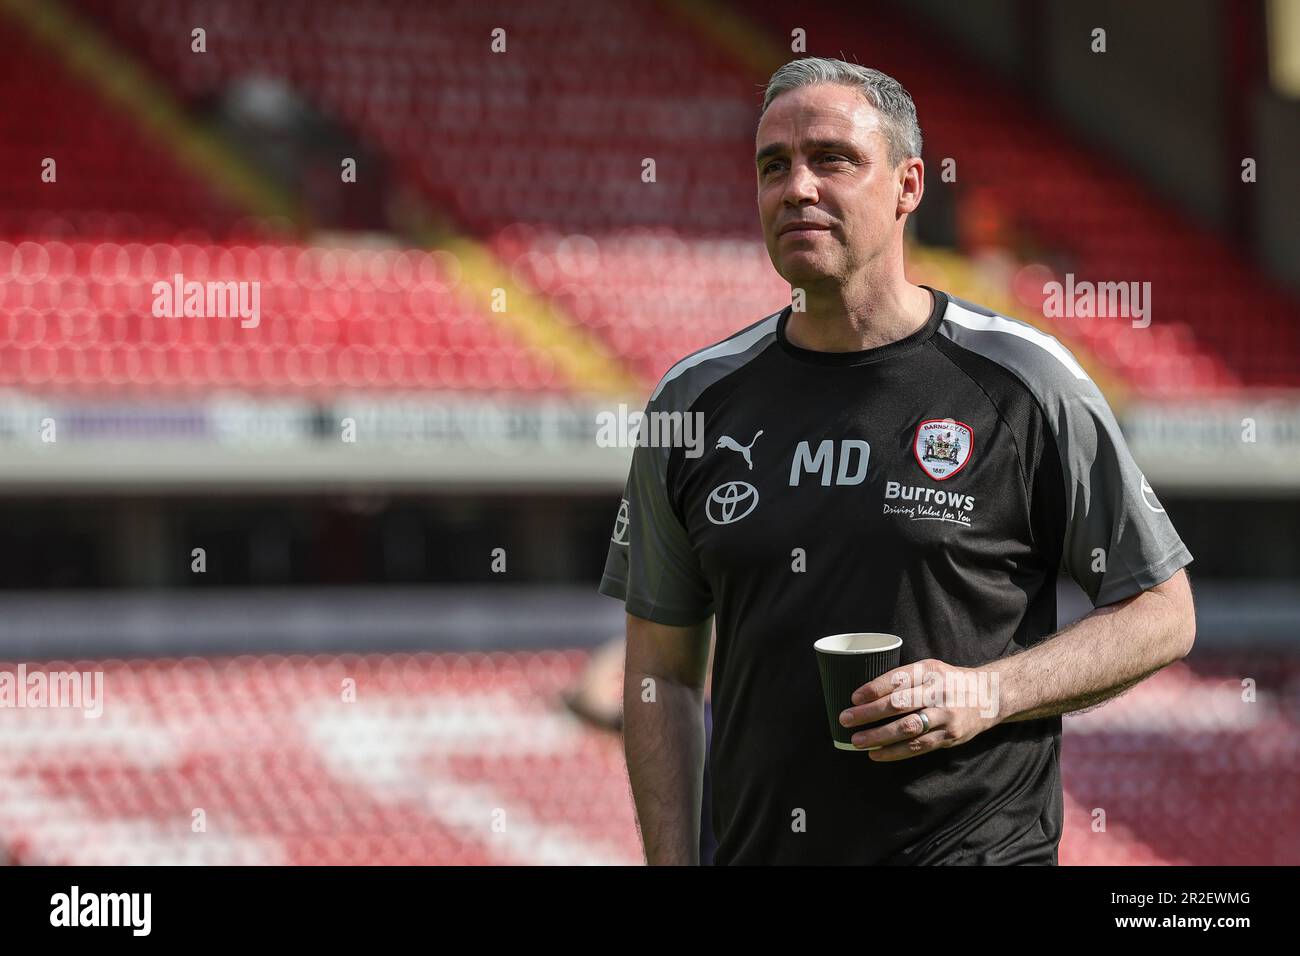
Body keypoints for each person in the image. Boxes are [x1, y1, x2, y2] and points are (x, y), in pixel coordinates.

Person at [598, 57, 1196, 865]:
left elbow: (1163, 610)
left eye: (832, 159)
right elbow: (662, 676)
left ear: (909, 185)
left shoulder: (1024, 383)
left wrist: (988, 692)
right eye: (773, 166)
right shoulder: (691, 404)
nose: (796, 187)